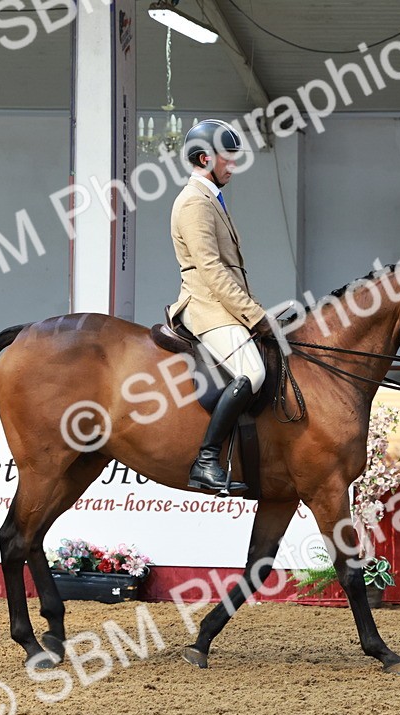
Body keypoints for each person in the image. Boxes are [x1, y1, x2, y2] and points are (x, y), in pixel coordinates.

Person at [168, 119, 271, 494]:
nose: (233, 164)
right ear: (204, 158)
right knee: (253, 373)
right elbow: (211, 270)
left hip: (224, 305)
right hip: (206, 306)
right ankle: (206, 460)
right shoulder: (194, 202)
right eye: (228, 157)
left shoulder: (211, 199)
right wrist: (254, 316)